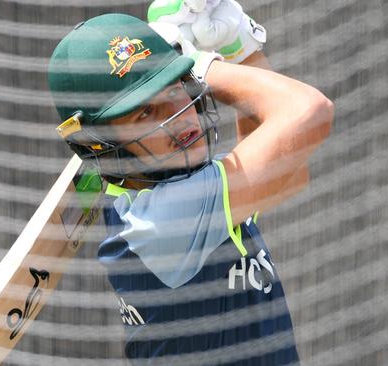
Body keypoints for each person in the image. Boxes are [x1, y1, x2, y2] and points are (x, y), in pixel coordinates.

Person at [48, 13, 333, 365]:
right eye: (146, 112)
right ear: (101, 144)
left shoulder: (164, 193)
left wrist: (239, 48)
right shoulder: (161, 224)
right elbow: (311, 112)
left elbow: (289, 170)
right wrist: (202, 63)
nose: (177, 113)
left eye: (174, 87)